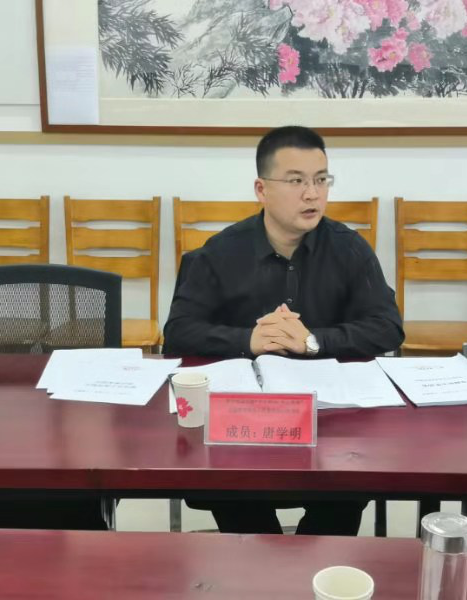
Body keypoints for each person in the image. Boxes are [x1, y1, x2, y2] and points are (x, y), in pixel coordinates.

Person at [164, 125, 404, 535]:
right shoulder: (221, 252)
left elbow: (387, 328)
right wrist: (247, 340)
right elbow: (178, 332)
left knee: (346, 489)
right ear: (262, 189)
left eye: (321, 179)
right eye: (296, 181)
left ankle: (319, 561)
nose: (312, 194)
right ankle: (263, 559)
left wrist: (313, 341)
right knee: (234, 493)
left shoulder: (349, 249)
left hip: (331, 418)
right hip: (244, 422)